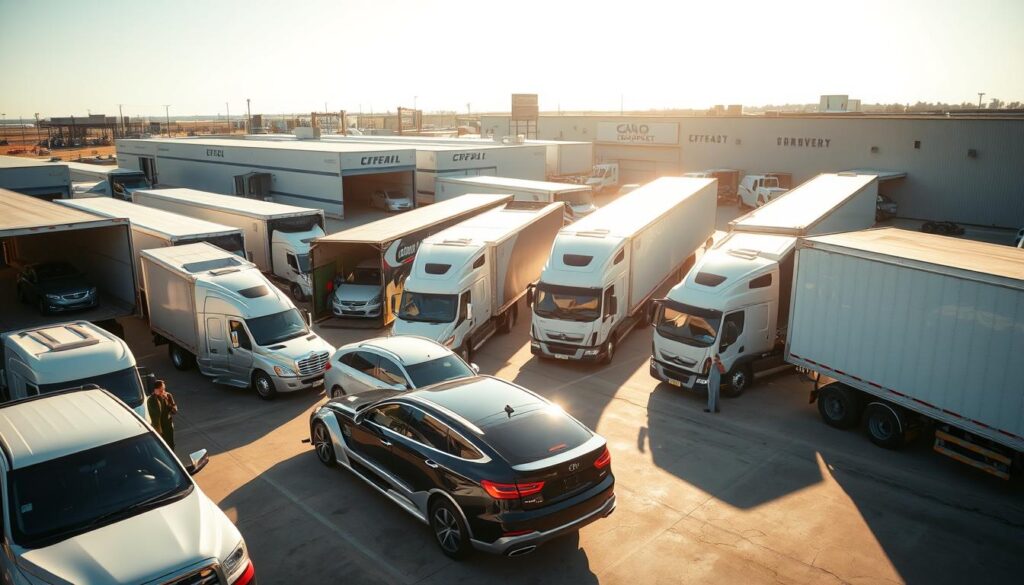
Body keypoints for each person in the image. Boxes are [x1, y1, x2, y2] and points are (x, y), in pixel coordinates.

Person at [147, 380, 179, 448]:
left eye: (164, 389)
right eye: (161, 390)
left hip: (168, 427)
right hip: (159, 428)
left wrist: (168, 401)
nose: (163, 391)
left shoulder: (168, 395)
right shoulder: (151, 400)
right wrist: (157, 398)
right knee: (162, 447)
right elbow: (155, 414)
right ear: (155, 390)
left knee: (170, 445)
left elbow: (174, 411)